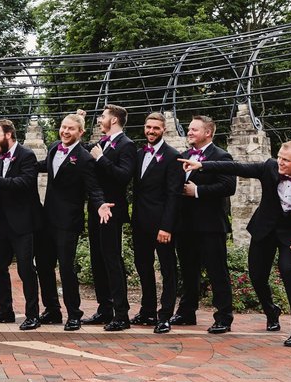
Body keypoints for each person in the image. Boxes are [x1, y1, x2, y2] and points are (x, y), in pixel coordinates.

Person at [180, 141, 291, 347]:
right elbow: (237, 167)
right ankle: (271, 310)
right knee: (257, 276)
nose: (280, 162)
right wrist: (203, 166)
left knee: (288, 272)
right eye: (279, 157)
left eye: (286, 160)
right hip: (263, 231)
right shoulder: (269, 167)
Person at [34, 112, 100, 331]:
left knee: (66, 268)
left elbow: (93, 189)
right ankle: (52, 309)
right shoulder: (54, 147)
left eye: (71, 129)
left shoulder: (85, 158)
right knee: (43, 265)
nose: (65, 131)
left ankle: (74, 314)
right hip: (46, 218)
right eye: (63, 127)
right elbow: (44, 166)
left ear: (80, 132)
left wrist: (100, 204)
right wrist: (22, 166)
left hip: (68, 222)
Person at [171, 115, 236, 334]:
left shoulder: (221, 156)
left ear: (208, 133)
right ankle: (187, 312)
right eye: (189, 129)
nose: (189, 132)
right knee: (188, 271)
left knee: (217, 271)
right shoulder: (184, 156)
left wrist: (197, 191)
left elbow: (228, 186)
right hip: (185, 225)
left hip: (210, 225)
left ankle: (224, 317)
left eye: (194, 130)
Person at [0, 119, 42, 330]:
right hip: (3, 221)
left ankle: (33, 315)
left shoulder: (26, 155)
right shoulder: (0, 156)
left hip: (23, 222)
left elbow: (26, 182)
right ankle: (5, 310)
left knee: (25, 269)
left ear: (8, 134)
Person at [81, 105, 136, 331]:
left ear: (113, 120)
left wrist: (102, 158)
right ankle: (104, 309)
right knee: (97, 260)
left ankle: (121, 314)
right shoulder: (100, 143)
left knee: (112, 259)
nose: (99, 120)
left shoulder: (127, 145)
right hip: (96, 208)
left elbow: (124, 177)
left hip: (112, 210)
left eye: (103, 116)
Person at [130, 113, 182, 334]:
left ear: (164, 130)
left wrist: (166, 227)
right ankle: (148, 310)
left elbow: (174, 195)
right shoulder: (139, 153)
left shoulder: (172, 156)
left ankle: (165, 316)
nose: (151, 131)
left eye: (156, 128)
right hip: (140, 221)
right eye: (148, 127)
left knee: (168, 268)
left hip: (162, 224)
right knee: (143, 266)